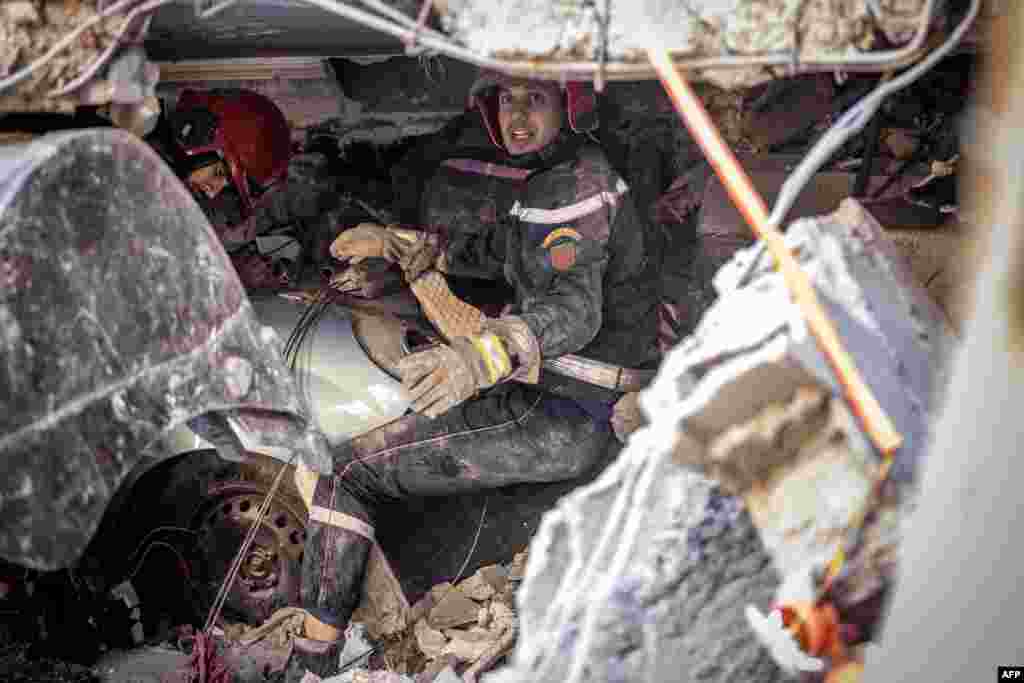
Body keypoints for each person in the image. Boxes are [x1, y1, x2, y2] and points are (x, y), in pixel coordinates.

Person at [260, 69, 664, 681]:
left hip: (564, 411)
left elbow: (574, 313)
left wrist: (478, 359)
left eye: (535, 99)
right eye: (507, 100)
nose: (517, 117)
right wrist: (399, 244)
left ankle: (312, 664)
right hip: (569, 398)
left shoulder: (573, 188)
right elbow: (499, 252)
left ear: (571, 104)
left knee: (343, 471)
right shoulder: (560, 175)